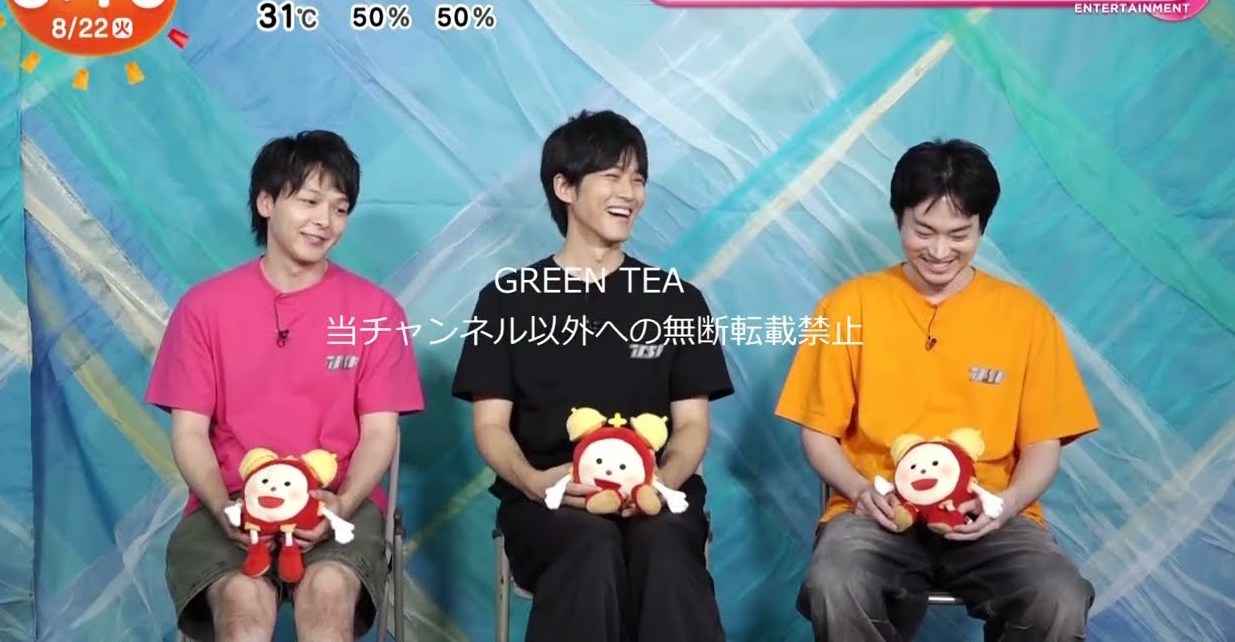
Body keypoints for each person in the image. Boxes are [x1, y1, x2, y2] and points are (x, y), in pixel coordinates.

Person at [774, 139, 1100, 641]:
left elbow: (1043, 445)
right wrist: (860, 492)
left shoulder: (1026, 317)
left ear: (981, 227)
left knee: (1058, 595)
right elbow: (818, 433)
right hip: (877, 512)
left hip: (990, 514)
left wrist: (1006, 503)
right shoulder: (845, 308)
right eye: (923, 231)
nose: (940, 251)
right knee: (834, 581)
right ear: (898, 219)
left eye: (959, 234)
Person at [451, 110, 733, 642]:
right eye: (612, 176)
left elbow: (693, 425)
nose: (630, 193)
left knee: (664, 546)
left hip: (657, 496)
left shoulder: (677, 300)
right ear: (565, 187)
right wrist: (534, 482)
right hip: (549, 500)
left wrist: (663, 482)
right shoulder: (506, 300)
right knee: (590, 544)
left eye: (638, 179)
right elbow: (490, 426)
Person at [147, 130, 425, 642]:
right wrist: (222, 508)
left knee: (328, 589)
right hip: (229, 501)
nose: (325, 221)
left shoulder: (376, 312)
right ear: (266, 202)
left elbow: (380, 433)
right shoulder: (203, 308)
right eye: (310, 201)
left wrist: (341, 505)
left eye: (340, 209)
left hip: (338, 502)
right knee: (242, 598)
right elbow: (189, 432)